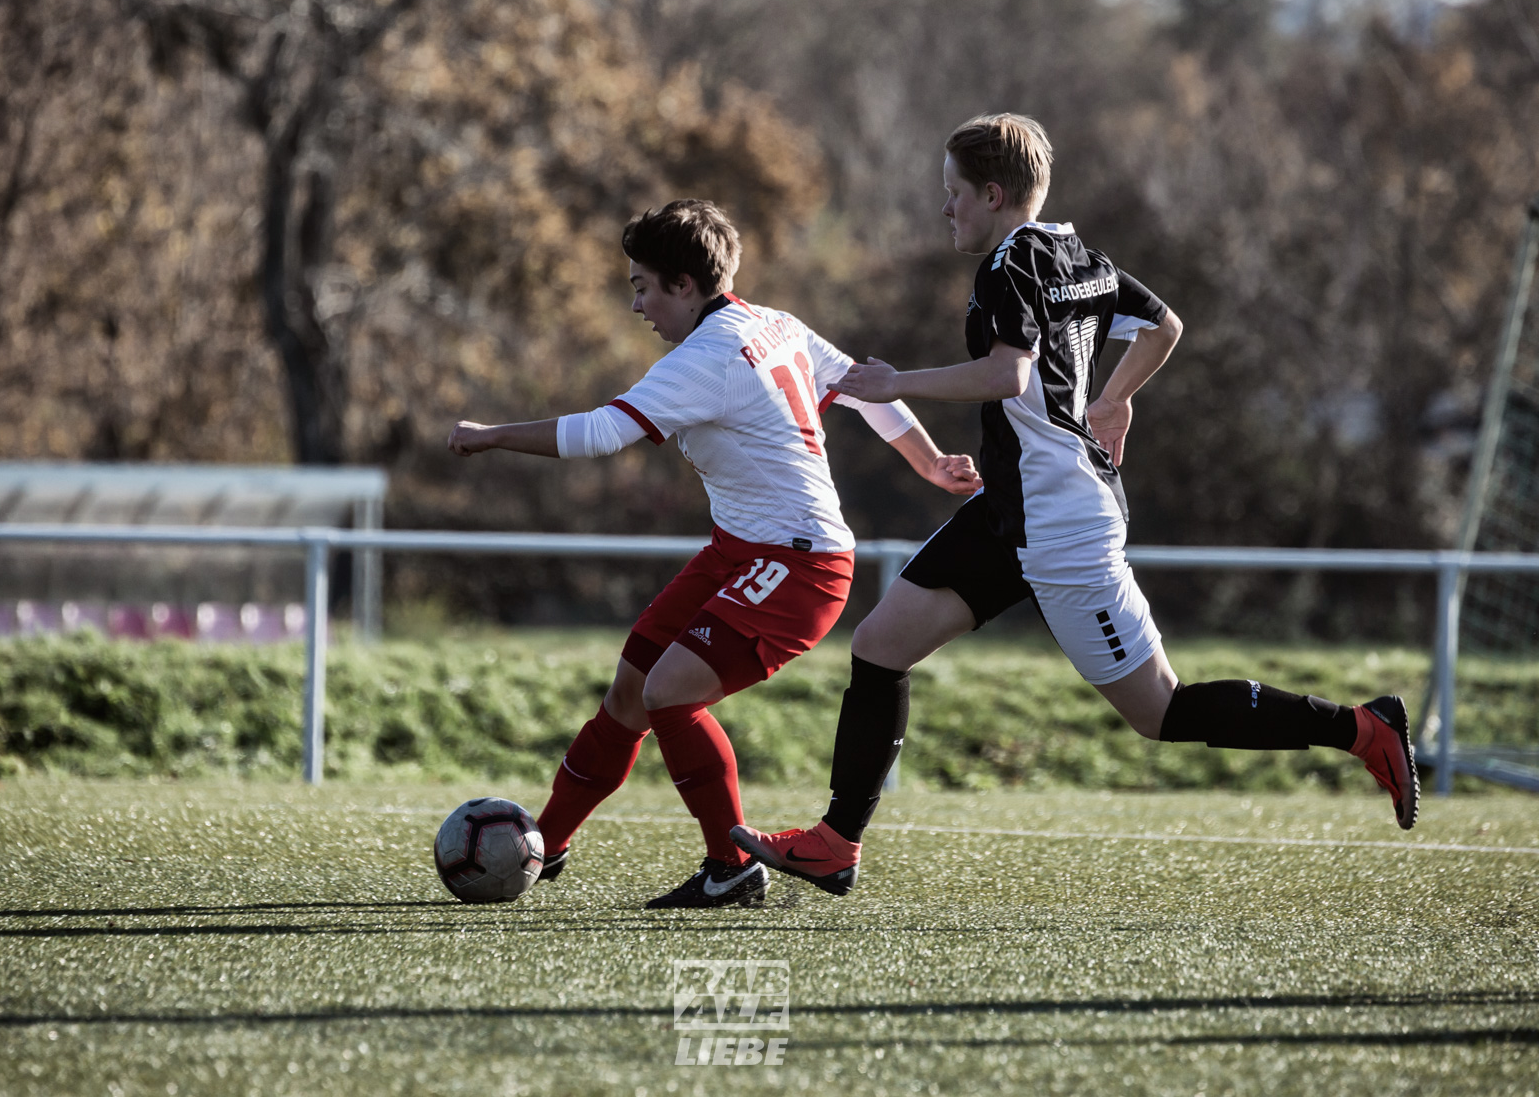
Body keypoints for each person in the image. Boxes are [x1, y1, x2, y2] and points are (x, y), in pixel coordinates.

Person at [731, 114, 1419, 898]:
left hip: (1061, 524)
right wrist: (1114, 400)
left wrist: (897, 383)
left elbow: (1006, 376)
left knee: (1159, 712)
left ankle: (1362, 729)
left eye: (953, 194)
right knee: (880, 646)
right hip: (1012, 511)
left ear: (993, 195)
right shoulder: (1073, 252)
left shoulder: (1007, 265)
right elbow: (1164, 326)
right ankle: (836, 843)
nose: (944, 209)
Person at [447, 199, 980, 909]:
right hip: (743, 551)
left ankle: (731, 868)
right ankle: (542, 845)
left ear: (684, 284)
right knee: (631, 692)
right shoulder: (775, 324)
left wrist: (491, 434)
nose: (636, 303)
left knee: (669, 693)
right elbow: (861, 388)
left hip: (799, 567)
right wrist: (931, 460)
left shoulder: (706, 356)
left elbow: (600, 435)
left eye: (642, 285)